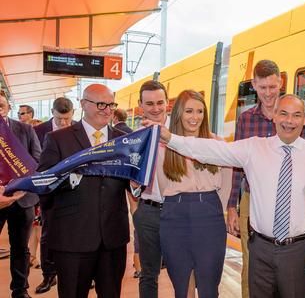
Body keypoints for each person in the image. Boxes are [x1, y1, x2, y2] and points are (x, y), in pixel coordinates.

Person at [154, 94, 305, 298]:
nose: (289, 121)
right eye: (284, 114)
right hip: (260, 250)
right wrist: (170, 138)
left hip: (297, 250)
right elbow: (209, 149)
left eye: (297, 115)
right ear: (274, 116)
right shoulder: (253, 148)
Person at [38, 83, 137, 298]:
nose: (107, 109)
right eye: (100, 103)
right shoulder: (57, 139)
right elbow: (44, 182)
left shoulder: (125, 140)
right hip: (73, 237)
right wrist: (74, 177)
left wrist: (138, 187)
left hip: (113, 238)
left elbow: (133, 185)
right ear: (83, 104)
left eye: (111, 104)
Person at [226, 60, 305, 298]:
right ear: (254, 85)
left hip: (290, 200)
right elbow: (237, 164)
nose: (268, 93)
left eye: (272, 87)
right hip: (252, 200)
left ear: (280, 82)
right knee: (251, 266)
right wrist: (232, 206)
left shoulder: (294, 116)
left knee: (288, 267)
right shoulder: (245, 120)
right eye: (262, 87)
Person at [152, 90, 227, 297]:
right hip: (174, 217)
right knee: (182, 287)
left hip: (210, 218)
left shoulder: (217, 144)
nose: (195, 117)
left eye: (200, 111)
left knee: (209, 287)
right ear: (178, 114)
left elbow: (226, 184)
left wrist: (213, 207)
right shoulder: (163, 146)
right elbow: (163, 185)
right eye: (189, 111)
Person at [0, 90, 42, 298]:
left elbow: (37, 159)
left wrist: (20, 185)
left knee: (20, 247)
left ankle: (20, 289)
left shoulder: (24, 130)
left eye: (2, 104)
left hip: (22, 198)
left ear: (8, 107)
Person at [32, 96, 75, 294]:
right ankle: (49, 275)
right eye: (59, 119)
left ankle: (79, 273)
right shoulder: (39, 131)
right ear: (52, 113)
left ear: (74, 113)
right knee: (48, 235)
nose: (63, 123)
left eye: (67, 119)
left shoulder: (79, 130)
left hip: (75, 192)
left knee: (77, 233)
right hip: (49, 193)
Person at [132, 80, 169, 298]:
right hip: (148, 211)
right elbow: (132, 183)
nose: (156, 109)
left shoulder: (181, 134)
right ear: (140, 105)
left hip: (178, 210)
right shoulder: (135, 139)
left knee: (182, 270)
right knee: (148, 273)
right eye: (150, 104)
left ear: (167, 102)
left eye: (160, 102)